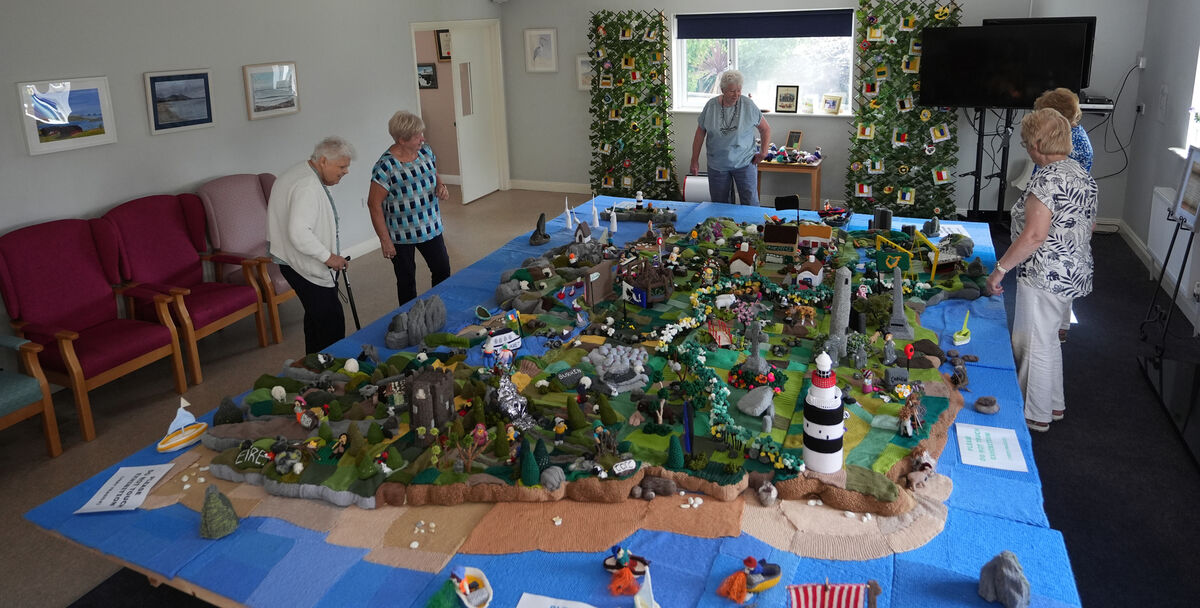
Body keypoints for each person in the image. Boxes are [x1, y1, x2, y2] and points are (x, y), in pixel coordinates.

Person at [986, 108, 1097, 433]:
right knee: (1048, 340)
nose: (1026, 148)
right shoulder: (1080, 173)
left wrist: (1000, 269)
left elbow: (1034, 236)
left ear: (1036, 143)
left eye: (1025, 142)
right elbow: (1088, 227)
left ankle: (1035, 414)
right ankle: (1053, 405)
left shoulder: (1046, 179)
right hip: (1072, 272)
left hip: (1044, 275)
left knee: (1033, 343)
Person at [267, 136, 354, 354]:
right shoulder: (307, 185)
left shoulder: (302, 173)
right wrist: (329, 257)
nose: (346, 171)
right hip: (302, 265)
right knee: (331, 323)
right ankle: (331, 368)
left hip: (292, 261)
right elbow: (298, 232)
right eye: (341, 167)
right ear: (323, 161)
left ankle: (313, 366)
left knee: (316, 318)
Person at [368, 110, 452, 307]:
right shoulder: (385, 166)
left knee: (442, 269)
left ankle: (438, 307)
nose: (423, 138)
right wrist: (385, 241)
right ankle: (409, 316)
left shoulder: (426, 151)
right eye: (417, 136)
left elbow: (433, 173)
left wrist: (441, 186)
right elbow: (374, 204)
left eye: (421, 133)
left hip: (431, 226)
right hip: (401, 234)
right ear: (402, 140)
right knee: (406, 280)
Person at [1033, 87, 1095, 342]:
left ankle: (1057, 327)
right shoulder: (1073, 135)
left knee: (1059, 268)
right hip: (1062, 213)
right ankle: (1056, 324)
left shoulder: (1071, 144)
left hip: (1061, 217)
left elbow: (1057, 184)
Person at [689, 70, 771, 205]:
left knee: (750, 203)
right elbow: (700, 133)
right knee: (720, 205)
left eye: (739, 90)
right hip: (717, 163)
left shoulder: (748, 105)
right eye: (732, 91)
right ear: (722, 90)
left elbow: (765, 129)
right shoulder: (711, 106)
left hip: (745, 161)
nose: (736, 95)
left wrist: (763, 152)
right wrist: (694, 160)